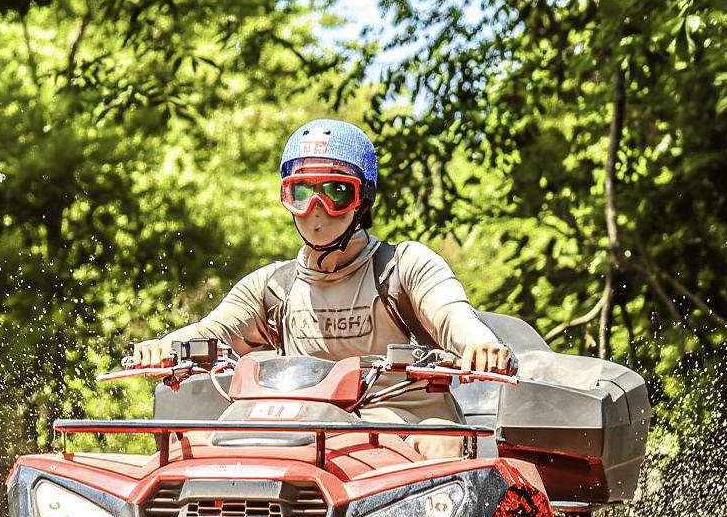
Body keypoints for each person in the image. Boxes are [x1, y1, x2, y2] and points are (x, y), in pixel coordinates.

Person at [131, 118, 513, 457]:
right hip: (312, 435)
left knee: (444, 443)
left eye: (336, 192)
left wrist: (479, 346)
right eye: (301, 192)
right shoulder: (275, 286)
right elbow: (214, 330)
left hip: (405, 429)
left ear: (362, 198)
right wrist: (164, 347)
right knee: (201, 453)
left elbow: (452, 316)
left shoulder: (403, 266)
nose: (316, 209)